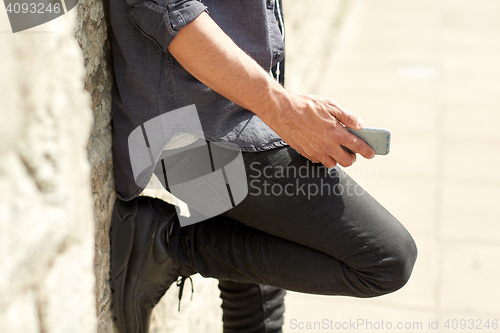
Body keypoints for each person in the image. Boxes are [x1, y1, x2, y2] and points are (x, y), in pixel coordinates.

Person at [108, 0, 418, 332]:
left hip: (228, 120)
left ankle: (175, 245)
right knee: (386, 260)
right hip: (192, 137)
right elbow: (168, 9)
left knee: (259, 300)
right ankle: (171, 244)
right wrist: (285, 111)